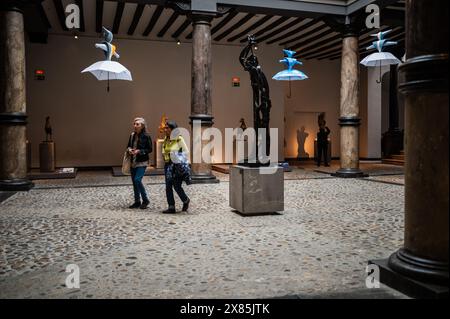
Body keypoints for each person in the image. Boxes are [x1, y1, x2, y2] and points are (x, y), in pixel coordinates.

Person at [162, 120, 190, 214]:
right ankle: (171, 207)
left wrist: (176, 155)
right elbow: (164, 150)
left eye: (167, 128)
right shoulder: (166, 139)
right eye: (165, 127)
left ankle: (185, 200)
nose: (165, 129)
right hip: (168, 165)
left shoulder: (179, 139)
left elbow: (186, 152)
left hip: (177, 166)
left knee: (176, 186)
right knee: (168, 186)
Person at [127, 117, 152, 209]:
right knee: (134, 182)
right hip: (133, 161)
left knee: (137, 180)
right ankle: (137, 201)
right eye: (134, 124)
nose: (135, 125)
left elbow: (150, 149)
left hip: (142, 162)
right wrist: (130, 150)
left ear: (142, 126)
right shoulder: (132, 135)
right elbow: (128, 146)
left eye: (137, 124)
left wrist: (139, 151)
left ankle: (145, 200)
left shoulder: (146, 136)